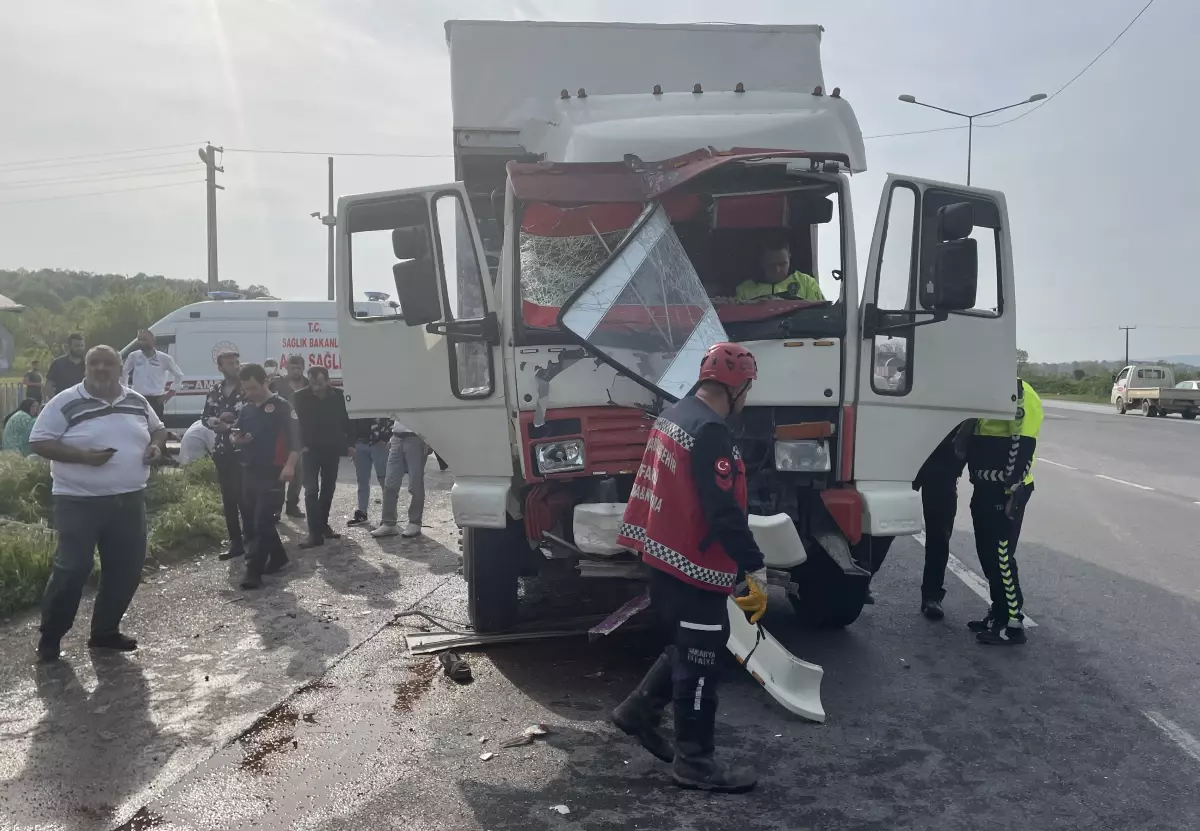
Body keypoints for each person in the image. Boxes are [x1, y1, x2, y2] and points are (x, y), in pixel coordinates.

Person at [611, 342, 766, 793]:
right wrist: (751, 567)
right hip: (692, 563)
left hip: (663, 554)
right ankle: (695, 762)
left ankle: (637, 712)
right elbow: (721, 510)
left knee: (690, 641)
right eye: (749, 388)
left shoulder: (675, 414)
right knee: (701, 656)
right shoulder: (711, 432)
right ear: (737, 387)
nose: (748, 398)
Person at [28, 345, 167, 662]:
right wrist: (83, 458)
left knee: (126, 570)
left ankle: (104, 633)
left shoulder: (136, 399)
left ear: (120, 368)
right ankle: (50, 638)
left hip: (129, 499)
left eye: (108, 363)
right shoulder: (66, 401)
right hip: (79, 501)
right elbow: (38, 441)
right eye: (94, 363)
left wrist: (156, 447)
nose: (101, 368)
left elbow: (158, 429)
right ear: (85, 368)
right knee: (72, 568)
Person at [962, 379, 1044, 646]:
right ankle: (998, 613)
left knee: (1001, 555)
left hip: (1006, 491)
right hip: (985, 487)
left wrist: (1012, 490)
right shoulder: (991, 389)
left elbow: (1024, 446)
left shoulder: (1021, 394)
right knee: (987, 554)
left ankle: (1012, 623)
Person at [231, 363, 300, 590]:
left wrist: (289, 466)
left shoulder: (282, 407)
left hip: (274, 470)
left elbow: (296, 442)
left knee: (262, 520)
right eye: (246, 389)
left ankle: (253, 571)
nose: (250, 393)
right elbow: (236, 434)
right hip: (249, 470)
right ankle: (279, 556)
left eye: (253, 387)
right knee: (252, 520)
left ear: (264, 381)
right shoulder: (247, 409)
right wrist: (237, 440)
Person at [913, 423, 970, 620]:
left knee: (939, 535)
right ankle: (864, 580)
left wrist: (958, 460)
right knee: (885, 525)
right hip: (909, 459)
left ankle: (932, 596)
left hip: (944, 468)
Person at [292, 366, 354, 548]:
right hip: (309, 450)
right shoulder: (300, 397)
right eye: (312, 382)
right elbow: (294, 424)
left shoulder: (339, 396)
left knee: (328, 489)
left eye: (319, 382)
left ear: (327, 380)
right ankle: (314, 533)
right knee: (311, 490)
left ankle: (323, 525)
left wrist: (351, 444)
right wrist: (299, 445)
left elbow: (348, 421)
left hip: (332, 448)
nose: (315, 387)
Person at [201, 350, 249, 560]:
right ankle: (235, 542)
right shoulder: (214, 391)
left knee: (246, 497)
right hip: (222, 451)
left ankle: (253, 540)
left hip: (245, 451)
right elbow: (204, 417)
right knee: (229, 499)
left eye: (236, 362)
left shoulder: (247, 388)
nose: (235, 366)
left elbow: (253, 417)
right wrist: (216, 422)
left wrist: (229, 425)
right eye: (229, 363)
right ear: (220, 368)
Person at [371, 420, 427, 539]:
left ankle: (415, 523)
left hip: (416, 438)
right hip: (396, 437)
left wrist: (430, 441)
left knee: (415, 484)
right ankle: (389, 523)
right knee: (390, 484)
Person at [269, 354, 309, 519]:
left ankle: (292, 505)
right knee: (278, 472)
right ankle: (275, 508)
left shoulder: (308, 384)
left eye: (298, 368)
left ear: (303, 368)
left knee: (299, 473)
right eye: (292, 368)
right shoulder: (277, 384)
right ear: (286, 367)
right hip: (280, 434)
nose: (295, 371)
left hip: (301, 433)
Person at [734, 236, 825, 304]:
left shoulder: (807, 283)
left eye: (782, 264)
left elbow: (820, 314)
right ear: (762, 261)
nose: (777, 270)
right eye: (771, 265)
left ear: (789, 258)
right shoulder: (744, 290)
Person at [122, 330, 184, 419]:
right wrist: (125, 391)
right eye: (139, 340)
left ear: (153, 340)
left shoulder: (164, 358)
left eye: (144, 339)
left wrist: (170, 393)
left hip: (156, 400)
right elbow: (124, 372)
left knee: (155, 429)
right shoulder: (134, 356)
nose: (141, 342)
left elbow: (179, 375)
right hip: (138, 398)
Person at [349, 417, 393, 526]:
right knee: (362, 480)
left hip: (379, 443)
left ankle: (388, 517)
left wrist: (386, 436)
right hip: (360, 443)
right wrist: (350, 443)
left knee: (384, 480)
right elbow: (349, 420)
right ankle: (362, 514)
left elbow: (390, 416)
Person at [44, 333, 86, 401]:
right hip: (63, 402)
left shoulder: (88, 365)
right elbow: (48, 385)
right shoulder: (57, 364)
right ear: (69, 346)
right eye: (77, 346)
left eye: (82, 346)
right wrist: (53, 400)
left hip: (84, 403)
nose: (80, 348)